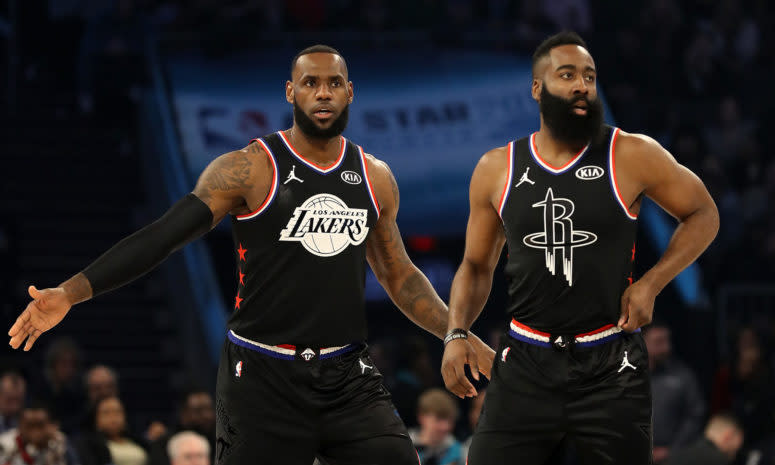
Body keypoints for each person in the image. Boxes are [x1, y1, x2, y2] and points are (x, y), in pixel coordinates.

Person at [8, 44, 495, 465]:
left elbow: (399, 275)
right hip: (261, 376)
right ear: (290, 92)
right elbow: (164, 235)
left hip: (347, 374)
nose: (322, 92)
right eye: (310, 83)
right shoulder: (250, 169)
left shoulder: (375, 177)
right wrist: (71, 293)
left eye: (333, 83)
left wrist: (454, 330)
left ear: (351, 92)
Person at [441, 31, 719, 465]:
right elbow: (476, 266)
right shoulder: (497, 167)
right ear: (537, 88)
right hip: (526, 362)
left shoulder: (630, 153)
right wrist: (457, 331)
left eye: (589, 77)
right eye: (567, 75)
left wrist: (651, 283)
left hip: (610, 362)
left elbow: (703, 213)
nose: (580, 86)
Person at [644, 320, 705, 463]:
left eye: (668, 340)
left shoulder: (682, 375)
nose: (667, 347)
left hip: (672, 457)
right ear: (642, 341)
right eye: (659, 342)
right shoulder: (627, 375)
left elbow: (695, 415)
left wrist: (673, 449)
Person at [0, 401, 79, 465]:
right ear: (20, 426)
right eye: (30, 426)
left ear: (49, 425)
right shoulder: (5, 444)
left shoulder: (60, 441)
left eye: (40, 425)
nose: (35, 431)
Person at [148, 389, 215, 465]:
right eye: (198, 410)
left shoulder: (220, 440)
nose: (207, 415)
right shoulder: (163, 445)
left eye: (209, 409)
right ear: (183, 412)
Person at [75, 396, 147, 465]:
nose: (113, 417)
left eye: (117, 412)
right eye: (106, 413)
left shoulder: (138, 441)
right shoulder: (87, 444)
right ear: (95, 418)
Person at [409, 388, 465, 465]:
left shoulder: (458, 452)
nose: (445, 426)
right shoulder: (405, 447)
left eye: (450, 420)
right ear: (421, 417)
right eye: (438, 419)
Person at [665, 414, 744, 465]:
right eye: (734, 450)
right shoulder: (719, 460)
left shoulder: (676, 453)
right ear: (728, 436)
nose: (733, 457)